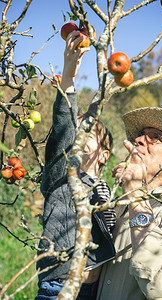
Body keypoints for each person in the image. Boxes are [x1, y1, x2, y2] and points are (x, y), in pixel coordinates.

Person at [35, 31, 116, 300]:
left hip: (98, 292)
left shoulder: (109, 191)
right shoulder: (60, 175)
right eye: (77, 133)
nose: (79, 139)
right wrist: (68, 79)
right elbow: (64, 132)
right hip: (58, 289)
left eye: (88, 135)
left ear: (104, 155)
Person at [96, 106, 162, 300]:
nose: (138, 140)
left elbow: (161, 284)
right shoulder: (116, 206)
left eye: (155, 137)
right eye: (140, 135)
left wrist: (136, 195)